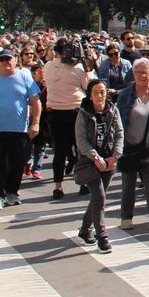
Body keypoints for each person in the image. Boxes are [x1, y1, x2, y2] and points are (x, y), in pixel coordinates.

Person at [115, 58, 149, 231]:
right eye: (139, 72)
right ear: (133, 74)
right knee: (128, 184)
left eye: (146, 73)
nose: (142, 76)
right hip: (130, 146)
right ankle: (126, 218)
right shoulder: (125, 94)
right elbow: (118, 120)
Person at [0, 49, 41, 210]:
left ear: (15, 60)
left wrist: (35, 123)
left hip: (19, 130)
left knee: (17, 163)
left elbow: (36, 101)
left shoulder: (25, 77)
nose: (5, 62)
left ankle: (12, 193)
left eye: (8, 59)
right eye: (2, 60)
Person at [74, 79, 122, 253]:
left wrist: (115, 155)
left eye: (102, 92)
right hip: (89, 162)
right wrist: (95, 157)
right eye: (96, 92)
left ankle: (84, 229)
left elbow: (120, 133)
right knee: (100, 196)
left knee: (97, 198)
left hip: (109, 160)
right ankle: (102, 236)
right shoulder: (84, 113)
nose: (100, 95)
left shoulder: (112, 110)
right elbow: (81, 140)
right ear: (90, 95)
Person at [43, 37, 91, 200]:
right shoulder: (78, 68)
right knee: (80, 148)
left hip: (55, 112)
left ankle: (58, 186)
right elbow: (88, 85)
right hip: (75, 111)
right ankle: (83, 183)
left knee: (60, 151)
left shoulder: (48, 66)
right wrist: (88, 67)